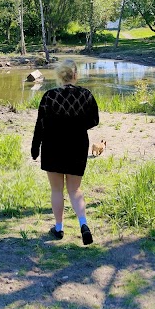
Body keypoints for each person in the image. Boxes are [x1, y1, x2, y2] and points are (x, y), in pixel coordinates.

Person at [31, 59, 99, 245]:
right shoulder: (86, 95)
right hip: (77, 144)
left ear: (60, 75)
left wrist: (35, 147)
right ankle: (83, 224)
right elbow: (94, 120)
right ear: (75, 75)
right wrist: (76, 127)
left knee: (56, 189)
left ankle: (59, 228)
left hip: (53, 145)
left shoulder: (49, 96)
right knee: (75, 189)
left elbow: (41, 125)